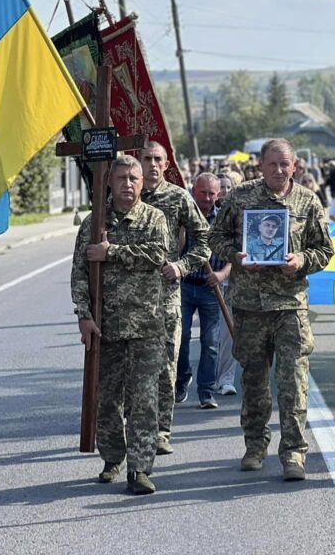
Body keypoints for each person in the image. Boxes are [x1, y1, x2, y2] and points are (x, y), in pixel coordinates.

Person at [209, 138, 334, 481]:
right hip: (249, 306)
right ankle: (255, 444)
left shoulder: (307, 201)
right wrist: (237, 258)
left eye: (285, 165)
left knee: (293, 380)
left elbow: (325, 249)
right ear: (261, 165)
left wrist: (303, 260)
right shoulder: (240, 196)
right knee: (253, 379)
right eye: (272, 164)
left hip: (290, 305)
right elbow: (216, 236)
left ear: (295, 167)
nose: (279, 170)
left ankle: (294, 452)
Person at [71, 155, 170, 495]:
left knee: (144, 399)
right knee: (106, 398)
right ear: (109, 183)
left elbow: (158, 255)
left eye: (134, 178)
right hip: (107, 326)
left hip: (146, 325)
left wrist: (112, 252)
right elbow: (79, 273)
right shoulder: (94, 223)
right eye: (122, 178)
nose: (128, 184)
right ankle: (113, 457)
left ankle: (140, 469)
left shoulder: (155, 218)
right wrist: (83, 315)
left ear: (143, 183)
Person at [139, 141, 210, 456]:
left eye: (157, 159)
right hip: (127, 299)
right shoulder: (124, 195)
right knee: (132, 368)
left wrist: (181, 266)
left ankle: (162, 431)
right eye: (146, 159)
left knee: (167, 365)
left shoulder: (178, 197)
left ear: (166, 164)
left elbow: (206, 238)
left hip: (166, 296)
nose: (152, 165)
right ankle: (136, 428)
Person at [174, 172, 230, 409]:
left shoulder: (225, 221)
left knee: (210, 342)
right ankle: (181, 380)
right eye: (202, 192)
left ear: (218, 195)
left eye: (211, 193)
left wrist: (222, 275)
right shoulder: (183, 216)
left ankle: (206, 391)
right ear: (193, 192)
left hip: (211, 289)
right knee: (182, 337)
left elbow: (235, 255)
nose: (207, 198)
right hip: (185, 286)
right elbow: (173, 249)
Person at [213, 173, 239, 396]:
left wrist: (224, 273)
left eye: (228, 187)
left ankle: (226, 379)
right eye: (220, 187)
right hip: (204, 283)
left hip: (231, 282)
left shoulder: (240, 216)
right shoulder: (203, 216)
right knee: (210, 336)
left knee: (228, 333)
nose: (224, 191)